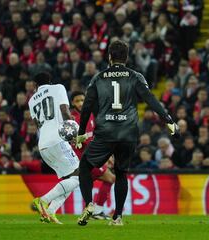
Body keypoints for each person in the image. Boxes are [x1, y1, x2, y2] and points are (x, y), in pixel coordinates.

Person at [76, 40, 179, 226]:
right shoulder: (135, 76)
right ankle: (118, 217)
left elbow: (86, 106)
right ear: (127, 57)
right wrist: (168, 120)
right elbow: (150, 99)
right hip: (128, 133)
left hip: (105, 132)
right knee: (121, 172)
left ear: (109, 56)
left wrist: (81, 132)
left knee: (84, 167)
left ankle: (90, 204)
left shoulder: (98, 78)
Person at [28, 72, 79, 224]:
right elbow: (64, 111)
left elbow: (37, 125)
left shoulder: (31, 101)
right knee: (80, 175)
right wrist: (75, 133)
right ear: (50, 81)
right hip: (58, 139)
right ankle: (43, 201)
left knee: (69, 179)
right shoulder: (58, 88)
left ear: (35, 85)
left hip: (43, 144)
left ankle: (50, 212)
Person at [70, 91, 115, 220]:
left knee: (87, 183)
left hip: (92, 155)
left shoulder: (89, 115)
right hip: (83, 158)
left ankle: (92, 210)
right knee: (110, 179)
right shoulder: (72, 119)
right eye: (77, 100)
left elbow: (94, 136)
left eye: (82, 100)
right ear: (72, 103)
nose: (80, 103)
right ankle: (96, 210)